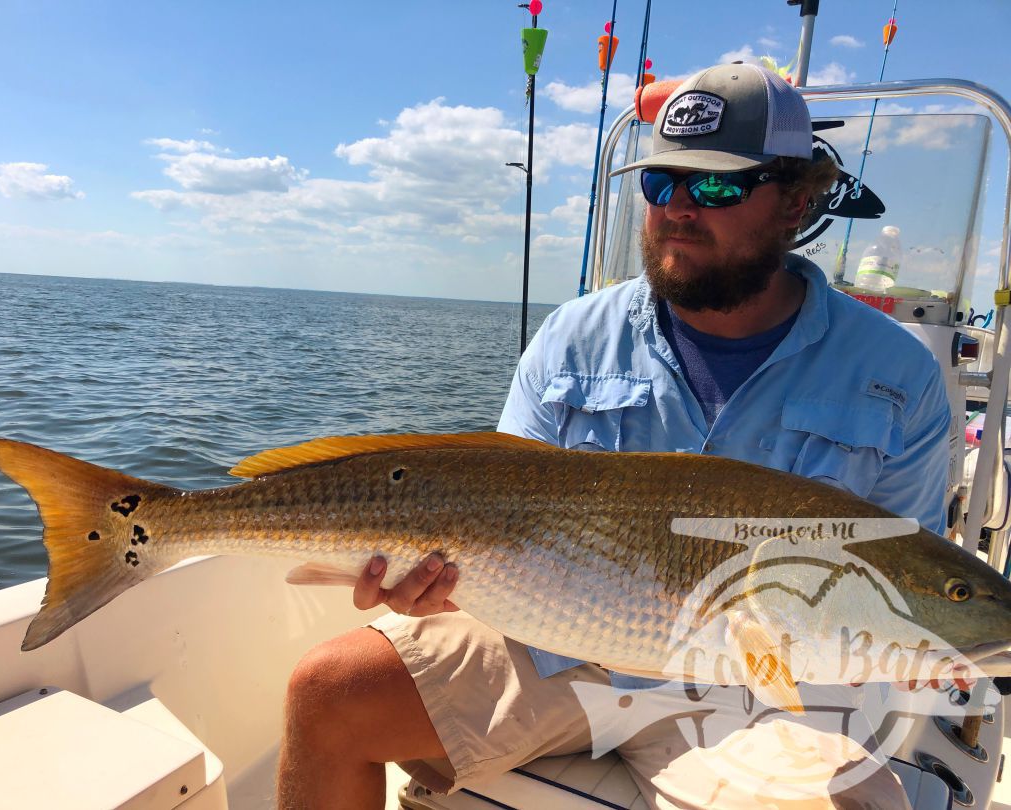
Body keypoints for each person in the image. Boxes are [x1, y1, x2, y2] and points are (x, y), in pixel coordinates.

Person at [278, 63, 952, 809]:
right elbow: (487, 520)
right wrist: (430, 586)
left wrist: (916, 649)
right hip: (559, 644)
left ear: (795, 202)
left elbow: (900, 578)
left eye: (718, 186)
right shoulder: (573, 336)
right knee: (327, 693)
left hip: (750, 692)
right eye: (661, 183)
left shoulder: (898, 374)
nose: (680, 209)